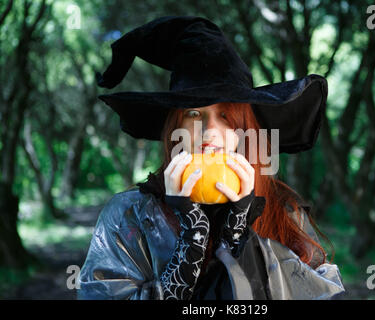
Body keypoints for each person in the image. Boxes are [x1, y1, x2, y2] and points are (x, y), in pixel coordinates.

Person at [78, 15, 345, 300]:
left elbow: (322, 293)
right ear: (175, 127)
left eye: (227, 116)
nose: (209, 132)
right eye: (194, 114)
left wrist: (240, 241)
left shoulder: (284, 210)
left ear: (246, 131)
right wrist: (191, 242)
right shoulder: (129, 215)